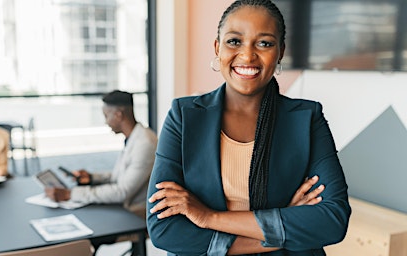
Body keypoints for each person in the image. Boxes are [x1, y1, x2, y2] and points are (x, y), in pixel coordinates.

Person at [146, 0, 351, 255]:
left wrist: (208, 217)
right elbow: (164, 230)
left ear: (280, 52)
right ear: (217, 48)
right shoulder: (184, 116)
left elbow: (332, 221)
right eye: (234, 41)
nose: (247, 55)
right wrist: (281, 228)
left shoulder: (307, 118)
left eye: (264, 43)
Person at [45, 90, 158, 220]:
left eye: (106, 116)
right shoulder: (133, 137)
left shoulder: (145, 144)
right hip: (121, 206)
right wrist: (92, 178)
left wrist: (71, 194)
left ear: (118, 115)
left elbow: (122, 191)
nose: (106, 122)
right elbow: (121, 175)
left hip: (134, 213)